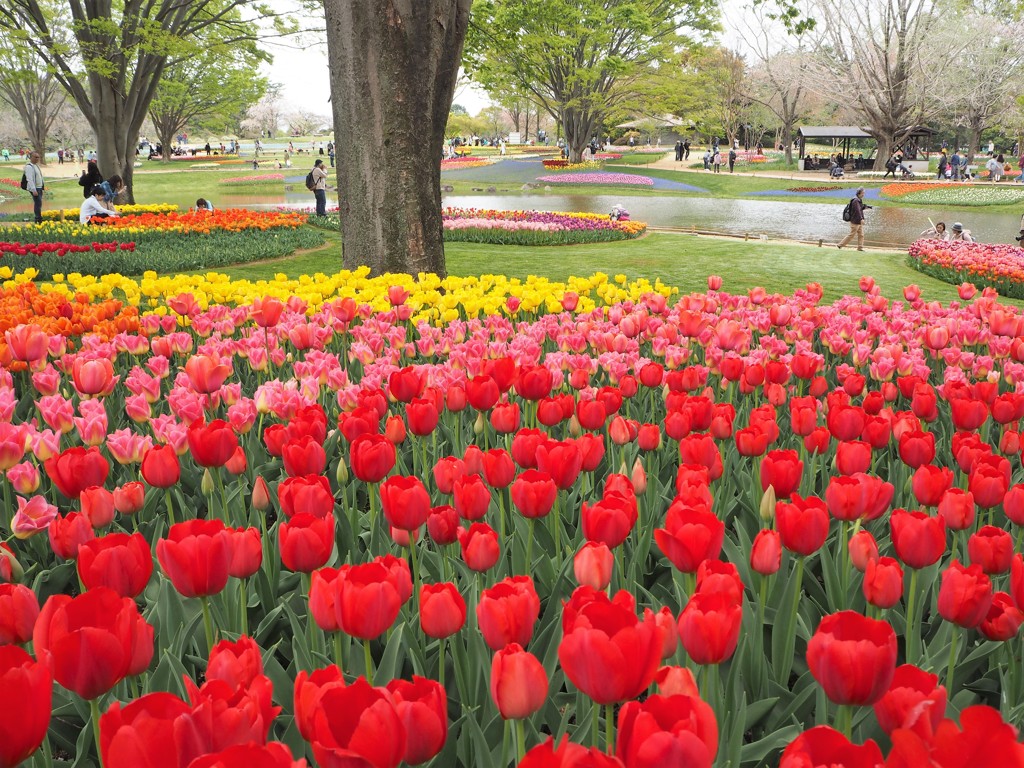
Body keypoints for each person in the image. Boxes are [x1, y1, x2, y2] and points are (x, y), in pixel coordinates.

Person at [837, 187, 872, 251]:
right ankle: (840, 245)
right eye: (863, 193)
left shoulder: (858, 200)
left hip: (858, 221)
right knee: (851, 235)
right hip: (855, 221)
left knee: (861, 235)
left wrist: (867, 207)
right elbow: (857, 211)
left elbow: (860, 207)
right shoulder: (855, 200)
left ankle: (860, 248)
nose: (863, 194)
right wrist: (861, 219)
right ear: (859, 193)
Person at [23, 151, 44, 223]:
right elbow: (29, 179)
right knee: (38, 203)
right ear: (31, 157)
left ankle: (39, 218)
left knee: (39, 203)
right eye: (35, 157)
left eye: (38, 157)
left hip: (39, 187)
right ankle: (38, 219)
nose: (37, 159)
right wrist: (33, 190)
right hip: (35, 188)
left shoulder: (36, 166)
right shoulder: (29, 167)